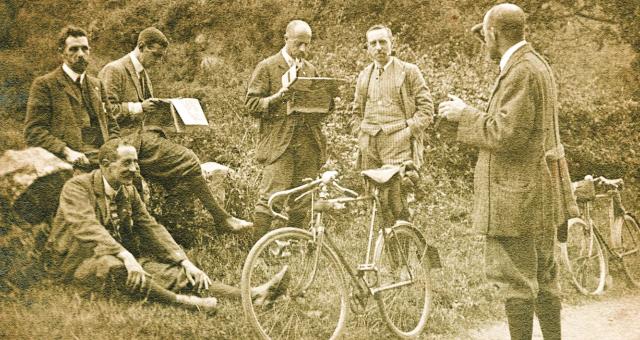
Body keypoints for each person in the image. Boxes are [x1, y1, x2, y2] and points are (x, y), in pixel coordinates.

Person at [438, 3, 575, 339]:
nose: (484, 43)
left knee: (516, 281)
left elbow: (506, 134)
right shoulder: (534, 64)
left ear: (493, 34)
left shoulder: (520, 71)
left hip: (518, 197)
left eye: (484, 36)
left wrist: (463, 114)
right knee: (544, 278)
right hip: (539, 194)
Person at [44, 138, 288, 312]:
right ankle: (185, 303)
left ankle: (254, 295)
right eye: (126, 163)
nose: (134, 169)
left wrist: (184, 261)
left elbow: (150, 226)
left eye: (136, 163)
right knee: (116, 268)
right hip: (77, 261)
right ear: (106, 165)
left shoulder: (127, 190)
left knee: (178, 273)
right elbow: (87, 227)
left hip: (119, 256)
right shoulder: (76, 187)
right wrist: (126, 256)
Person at [98, 27, 252, 234]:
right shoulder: (114, 70)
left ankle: (182, 231)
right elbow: (106, 112)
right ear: (141, 47)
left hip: (142, 137)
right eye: (156, 55)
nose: (158, 61)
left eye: (162, 57)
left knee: (182, 171)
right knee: (188, 159)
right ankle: (222, 218)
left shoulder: (142, 74)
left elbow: (145, 112)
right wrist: (138, 107)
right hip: (125, 141)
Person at [245, 20, 329, 235]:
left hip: (308, 143)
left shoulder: (310, 69)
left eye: (307, 45)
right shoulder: (268, 66)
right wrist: (276, 98)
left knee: (302, 198)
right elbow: (251, 105)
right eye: (298, 43)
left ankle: (293, 246)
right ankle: (258, 253)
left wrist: (327, 99)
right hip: (279, 144)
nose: (303, 49)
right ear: (286, 39)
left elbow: (321, 107)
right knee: (271, 198)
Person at [351, 24, 434, 224]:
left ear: (392, 43)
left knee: (397, 202)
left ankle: (401, 252)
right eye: (373, 43)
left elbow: (427, 110)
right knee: (376, 203)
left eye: (383, 42)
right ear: (368, 48)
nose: (378, 47)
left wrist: (407, 132)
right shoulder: (364, 75)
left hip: (398, 146)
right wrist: (360, 135)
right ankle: (381, 251)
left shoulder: (409, 71)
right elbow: (356, 113)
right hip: (370, 146)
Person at [24, 25, 119, 168]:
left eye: (84, 48)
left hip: (101, 154)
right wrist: (66, 151)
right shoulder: (45, 85)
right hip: (73, 156)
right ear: (61, 52)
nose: (80, 54)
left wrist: (114, 150)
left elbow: (112, 126)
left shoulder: (97, 84)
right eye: (73, 49)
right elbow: (33, 132)